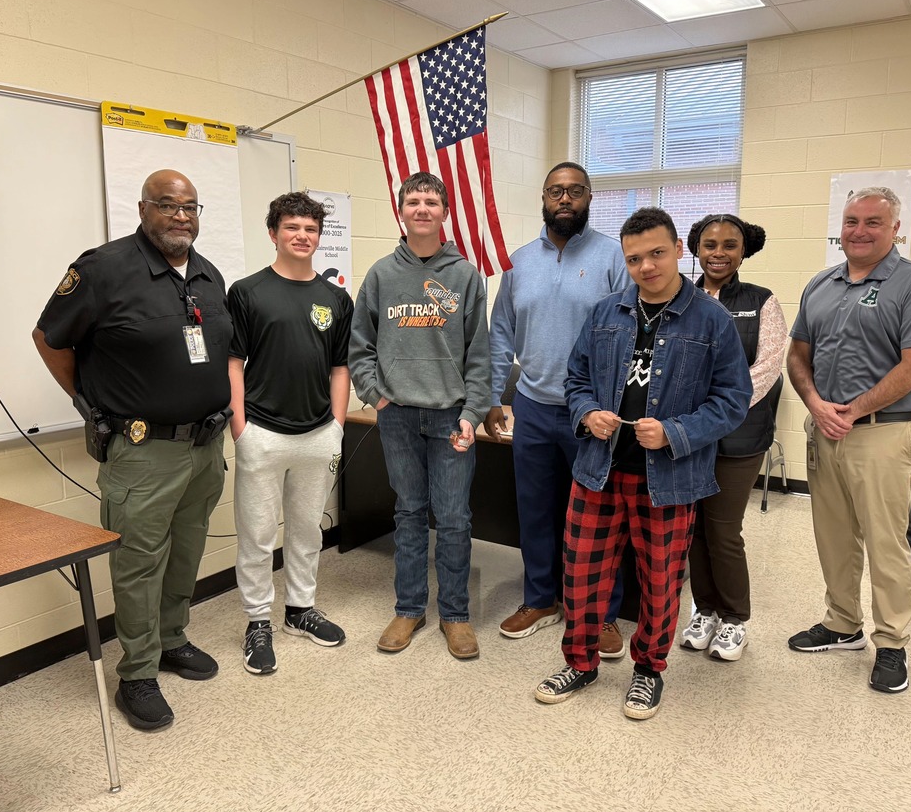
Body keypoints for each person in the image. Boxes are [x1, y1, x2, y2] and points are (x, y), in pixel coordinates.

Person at [33, 170, 232, 731]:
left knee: (187, 550)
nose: (180, 216)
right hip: (143, 451)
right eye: (167, 205)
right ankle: (137, 672)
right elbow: (49, 340)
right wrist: (89, 402)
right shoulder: (103, 268)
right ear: (144, 208)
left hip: (204, 445)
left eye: (191, 207)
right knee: (139, 561)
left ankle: (172, 640)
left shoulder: (207, 274)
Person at [535, 207, 751, 720]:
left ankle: (649, 670)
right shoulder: (607, 312)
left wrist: (675, 432)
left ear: (679, 249)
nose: (647, 266)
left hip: (669, 479)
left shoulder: (711, 319)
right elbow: (576, 380)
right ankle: (581, 662)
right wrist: (587, 413)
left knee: (659, 580)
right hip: (598, 470)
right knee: (582, 573)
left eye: (657, 253)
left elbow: (733, 399)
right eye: (634, 258)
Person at [787, 186, 911, 694]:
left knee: (885, 541)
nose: (859, 231)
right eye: (852, 220)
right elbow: (797, 355)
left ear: (896, 228)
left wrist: (853, 410)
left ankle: (893, 642)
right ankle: (842, 625)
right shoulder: (822, 283)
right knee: (833, 536)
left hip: (882, 434)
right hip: (824, 429)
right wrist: (815, 404)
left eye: (873, 222)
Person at [487, 162, 631, 658]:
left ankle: (603, 612)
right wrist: (491, 397)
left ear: (589, 197)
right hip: (530, 405)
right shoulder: (519, 261)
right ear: (543, 199)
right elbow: (501, 332)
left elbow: (629, 333)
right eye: (555, 191)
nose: (564, 199)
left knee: (597, 516)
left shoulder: (614, 257)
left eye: (574, 191)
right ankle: (541, 599)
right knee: (535, 512)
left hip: (590, 413)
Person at [349, 172, 491, 660]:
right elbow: (359, 347)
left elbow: (480, 355)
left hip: (452, 417)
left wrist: (474, 412)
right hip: (398, 418)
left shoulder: (465, 276)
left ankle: (455, 614)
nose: (423, 209)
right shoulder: (382, 275)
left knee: (453, 518)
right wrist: (375, 394)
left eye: (432, 201)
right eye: (414, 201)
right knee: (408, 513)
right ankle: (409, 607)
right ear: (401, 211)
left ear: (445, 212)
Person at [228, 192, 352, 675]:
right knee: (258, 537)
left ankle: (300, 611)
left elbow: (340, 367)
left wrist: (338, 425)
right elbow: (233, 362)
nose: (302, 236)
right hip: (261, 431)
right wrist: (240, 427)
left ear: (319, 236)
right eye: (292, 228)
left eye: (311, 229)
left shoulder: (335, 298)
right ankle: (257, 622)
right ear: (274, 233)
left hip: (318, 433)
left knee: (306, 531)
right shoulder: (247, 292)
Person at [679, 214, 788, 661]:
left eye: (729, 245)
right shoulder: (680, 298)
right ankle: (704, 610)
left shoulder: (762, 302)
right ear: (696, 249)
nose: (718, 253)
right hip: (686, 437)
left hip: (739, 438)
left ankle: (735, 619)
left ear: (744, 251)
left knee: (724, 531)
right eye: (709, 244)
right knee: (693, 531)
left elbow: (765, 369)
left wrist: (715, 408)